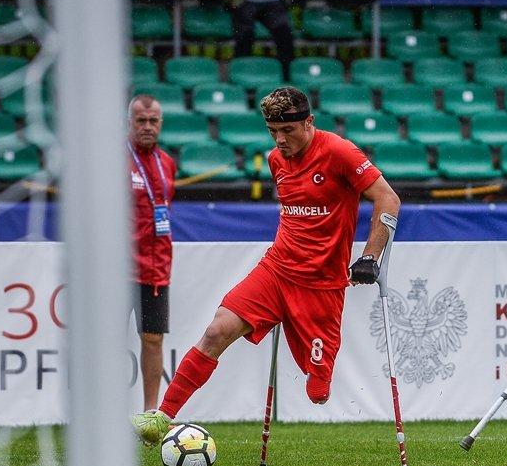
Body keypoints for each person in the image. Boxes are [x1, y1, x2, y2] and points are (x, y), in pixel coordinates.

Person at [132, 86, 400, 444]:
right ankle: (162, 417)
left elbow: (388, 198)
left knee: (318, 392)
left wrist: (370, 256)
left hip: (321, 285)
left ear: (309, 122)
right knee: (216, 331)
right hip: (276, 271)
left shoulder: (340, 152)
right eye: (273, 131)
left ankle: (317, 370)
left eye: (287, 130)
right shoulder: (276, 160)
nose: (280, 139)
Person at [128, 95, 177, 412]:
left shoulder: (167, 163)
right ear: (129, 123)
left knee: (153, 338)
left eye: (152, 121)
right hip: (117, 270)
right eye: (140, 120)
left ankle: (150, 413)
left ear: (160, 123)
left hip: (156, 268)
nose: (147, 126)